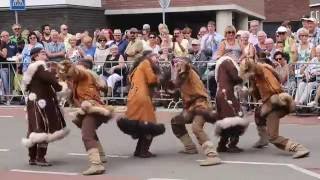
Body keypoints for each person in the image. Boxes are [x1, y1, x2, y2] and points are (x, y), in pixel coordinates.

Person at [240, 58, 310, 158]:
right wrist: (250, 90)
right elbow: (258, 95)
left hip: (276, 104)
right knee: (258, 113)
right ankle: (263, 139)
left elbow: (274, 89)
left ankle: (298, 148)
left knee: (273, 137)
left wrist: (249, 65)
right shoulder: (256, 76)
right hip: (273, 103)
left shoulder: (261, 70)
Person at [60, 59, 115, 175]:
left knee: (87, 135)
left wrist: (69, 67)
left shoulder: (85, 74)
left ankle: (96, 165)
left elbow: (76, 72)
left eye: (78, 67)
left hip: (92, 109)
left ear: (84, 68)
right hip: (89, 109)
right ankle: (101, 155)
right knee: (89, 131)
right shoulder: (79, 80)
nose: (76, 69)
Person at [21, 47, 69, 166]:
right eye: (42, 53)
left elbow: (28, 85)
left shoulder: (34, 68)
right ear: (35, 56)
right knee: (43, 128)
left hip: (35, 102)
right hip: (41, 103)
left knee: (34, 129)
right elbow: (50, 79)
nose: (44, 54)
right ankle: (40, 158)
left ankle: (32, 157)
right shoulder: (39, 66)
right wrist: (60, 86)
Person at [170, 57, 222, 166]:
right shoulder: (181, 75)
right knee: (176, 121)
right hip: (191, 107)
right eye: (175, 62)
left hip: (201, 105)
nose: (176, 64)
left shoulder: (188, 71)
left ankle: (212, 155)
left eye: (179, 62)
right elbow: (174, 87)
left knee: (196, 128)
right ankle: (190, 147)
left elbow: (185, 69)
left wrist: (182, 65)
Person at [117, 51, 165, 158]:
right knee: (150, 125)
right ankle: (144, 151)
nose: (157, 59)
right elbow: (152, 79)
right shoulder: (146, 63)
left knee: (141, 124)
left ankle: (139, 150)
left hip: (133, 98)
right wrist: (160, 77)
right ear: (148, 57)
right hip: (141, 98)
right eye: (155, 57)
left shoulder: (136, 68)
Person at [214, 54, 249, 153]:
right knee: (236, 119)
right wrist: (243, 78)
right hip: (227, 94)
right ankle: (232, 144)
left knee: (225, 120)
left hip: (220, 94)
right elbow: (234, 76)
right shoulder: (228, 62)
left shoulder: (220, 64)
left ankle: (221, 145)